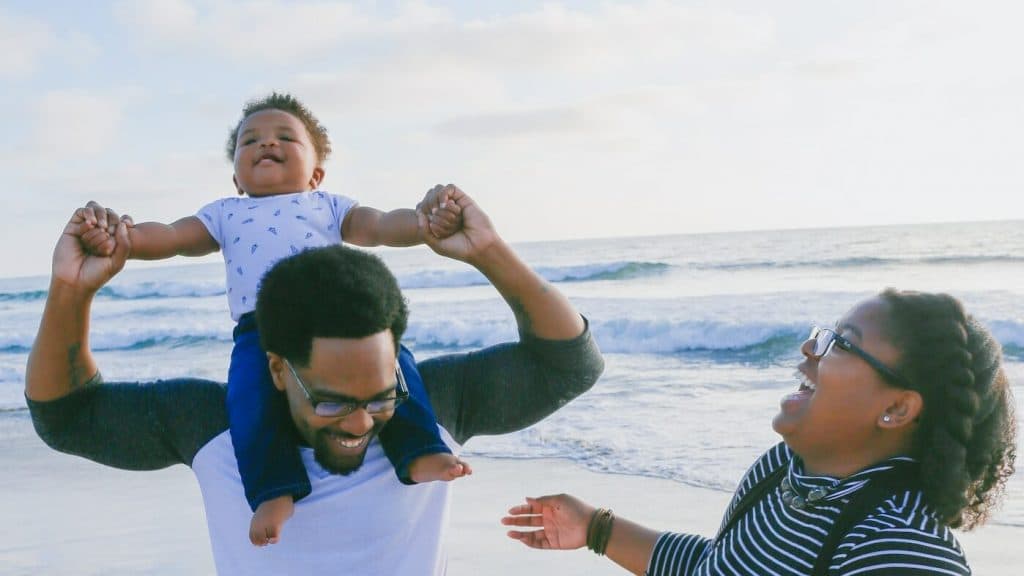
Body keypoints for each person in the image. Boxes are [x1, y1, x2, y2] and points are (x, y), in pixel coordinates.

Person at [27, 187, 604, 575]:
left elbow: (570, 364)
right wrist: (72, 292)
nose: (360, 422)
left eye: (380, 397)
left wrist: (490, 252)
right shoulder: (215, 426)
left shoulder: (431, 406)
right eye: (330, 402)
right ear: (277, 367)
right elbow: (67, 415)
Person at [77, 92, 469, 546]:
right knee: (248, 400)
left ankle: (420, 451)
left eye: (285, 137)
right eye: (251, 141)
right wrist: (120, 237)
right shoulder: (225, 213)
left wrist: (425, 223)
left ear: (316, 174)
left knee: (396, 366)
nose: (266, 144)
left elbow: (381, 225)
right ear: (237, 178)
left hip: (338, 320)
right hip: (259, 330)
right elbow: (170, 237)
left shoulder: (329, 205)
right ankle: (273, 489)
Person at [503, 291, 1016, 574]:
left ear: (897, 409)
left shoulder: (900, 553)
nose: (809, 349)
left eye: (842, 344)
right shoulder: (782, 472)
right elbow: (718, 567)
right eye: (824, 334)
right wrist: (595, 527)